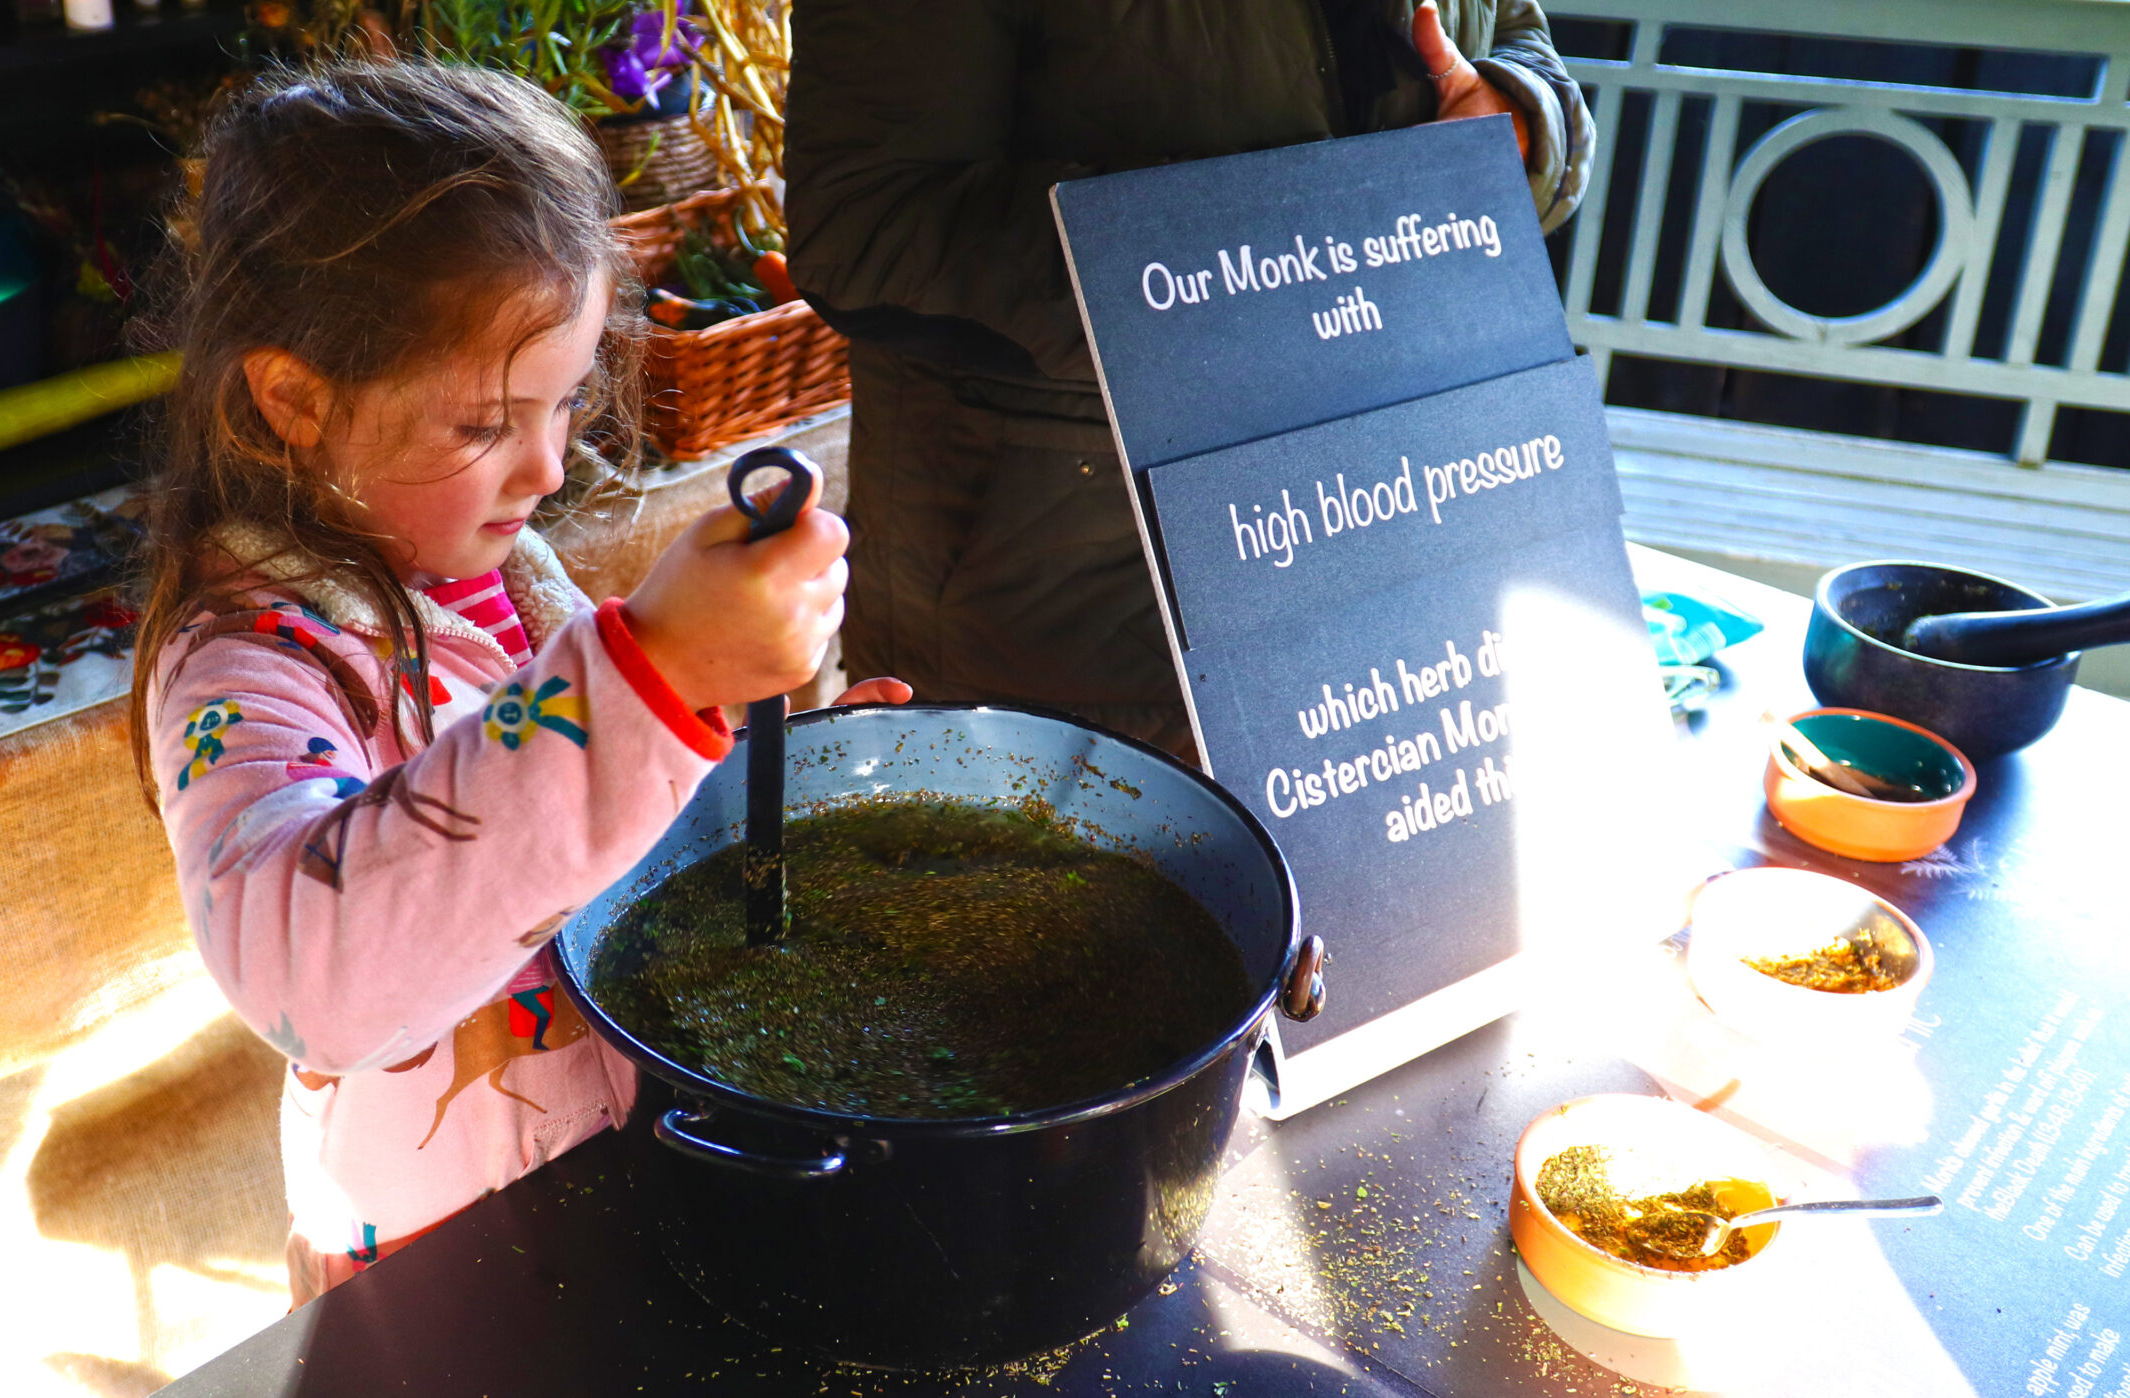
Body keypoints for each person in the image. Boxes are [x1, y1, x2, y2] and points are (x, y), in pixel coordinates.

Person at [128, 61, 902, 1307]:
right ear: (293, 400)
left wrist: (778, 791)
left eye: (564, 403)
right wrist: (650, 676)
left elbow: (598, 837)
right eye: (485, 424)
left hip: (628, 1200)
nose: (546, 466)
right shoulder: (248, 664)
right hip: (444, 1287)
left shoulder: (513, 584)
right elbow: (313, 980)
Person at [787, 0, 1595, 758]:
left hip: (1403, 545)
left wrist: (1524, 121)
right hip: (1072, 599)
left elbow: (1513, 36)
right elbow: (866, 226)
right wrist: (1269, 260)